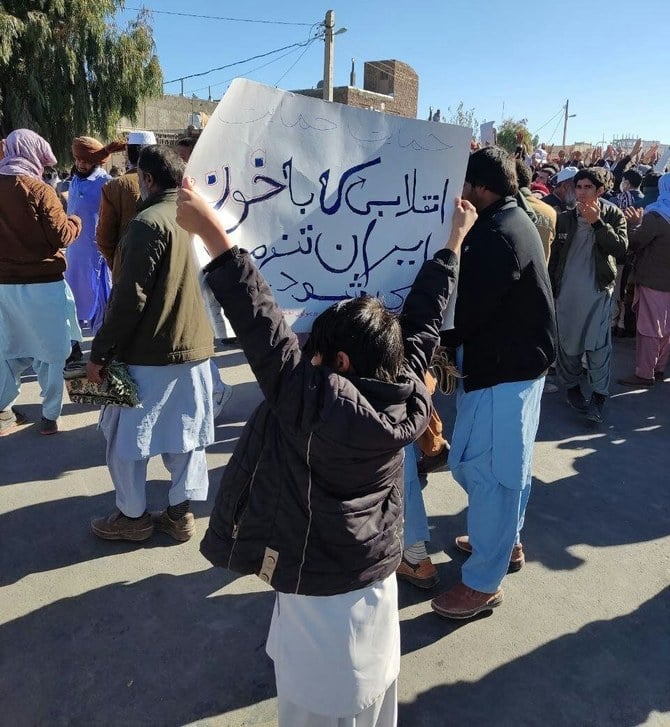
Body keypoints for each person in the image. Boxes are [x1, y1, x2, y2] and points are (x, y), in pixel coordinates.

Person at [176, 177, 473, 725]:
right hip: (377, 598)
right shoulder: (404, 388)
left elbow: (260, 321)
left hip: (318, 610)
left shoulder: (313, 404)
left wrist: (214, 232)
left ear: (337, 363)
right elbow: (425, 325)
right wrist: (452, 244)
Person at [431, 147, 556, 620]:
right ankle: (507, 542)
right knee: (511, 466)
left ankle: (483, 580)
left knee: (487, 471)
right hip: (521, 369)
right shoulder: (513, 217)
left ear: (479, 188)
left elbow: (466, 314)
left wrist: (430, 333)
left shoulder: (494, 235)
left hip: (503, 371)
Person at [88, 146, 215, 543]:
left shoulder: (147, 223)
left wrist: (100, 352)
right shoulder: (199, 214)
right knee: (186, 439)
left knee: (127, 442)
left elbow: (129, 298)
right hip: (195, 349)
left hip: (150, 354)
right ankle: (180, 515)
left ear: (147, 180)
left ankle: (133, 516)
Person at [0, 129, 82, 436]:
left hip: (5, 287)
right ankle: (50, 416)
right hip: (44, 285)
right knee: (50, 352)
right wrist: (76, 221)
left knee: (8, 351)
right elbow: (61, 236)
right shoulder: (40, 190)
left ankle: (3, 410)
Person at [548, 167, 628, 422]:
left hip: (598, 292)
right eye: (578, 187)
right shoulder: (565, 218)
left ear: (600, 191)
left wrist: (598, 224)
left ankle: (598, 397)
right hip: (568, 293)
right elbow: (556, 257)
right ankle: (572, 387)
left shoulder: (613, 215)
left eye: (587, 188)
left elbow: (621, 250)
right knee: (568, 345)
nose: (581, 193)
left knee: (598, 346)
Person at [66, 136, 124, 327]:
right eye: (79, 160)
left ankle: (101, 347)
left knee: (99, 299)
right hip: (74, 252)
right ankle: (73, 344)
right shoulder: (74, 181)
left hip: (95, 253)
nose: (81, 164)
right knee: (72, 299)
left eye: (86, 161)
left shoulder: (106, 183)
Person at [619, 173, 670, 386]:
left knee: (649, 327)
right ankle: (658, 367)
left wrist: (633, 224)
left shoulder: (657, 216)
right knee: (666, 329)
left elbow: (635, 241)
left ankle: (644, 373)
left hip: (653, 279)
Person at [96, 130, 156, 283]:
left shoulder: (115, 186)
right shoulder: (171, 183)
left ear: (128, 153)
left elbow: (104, 239)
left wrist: (117, 262)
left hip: (126, 270)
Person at [516, 160, 557, 260]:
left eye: (542, 178)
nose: (538, 179)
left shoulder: (550, 209)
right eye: (538, 176)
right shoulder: (550, 211)